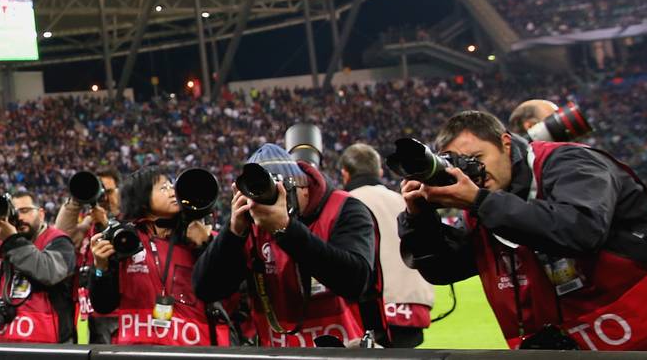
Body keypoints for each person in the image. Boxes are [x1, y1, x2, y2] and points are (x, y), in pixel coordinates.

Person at [399, 110, 647, 350]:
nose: (474, 170)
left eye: (477, 157)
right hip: (593, 343)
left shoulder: (572, 162)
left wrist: (480, 201)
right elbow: (444, 269)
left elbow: (581, 229)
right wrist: (419, 219)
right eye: (463, 163)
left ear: (505, 143)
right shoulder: (484, 202)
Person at [194, 144, 384, 347]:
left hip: (342, 350)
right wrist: (233, 233)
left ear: (302, 187)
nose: (271, 202)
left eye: (278, 192)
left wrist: (285, 229)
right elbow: (206, 289)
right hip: (277, 352)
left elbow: (355, 282)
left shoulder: (343, 208)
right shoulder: (251, 221)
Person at [87, 167, 219, 346]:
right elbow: (103, 305)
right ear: (141, 199)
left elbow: (225, 290)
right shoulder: (125, 240)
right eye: (164, 188)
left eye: (172, 186)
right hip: (136, 350)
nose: (173, 192)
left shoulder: (200, 236)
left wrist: (205, 246)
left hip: (191, 350)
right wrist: (101, 268)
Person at [339, 143, 434, 347]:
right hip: (413, 307)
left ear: (345, 174)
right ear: (380, 172)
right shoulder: (405, 201)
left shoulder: (344, 205)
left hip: (368, 311)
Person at [0, 191, 77, 343]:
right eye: (15, 211)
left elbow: (48, 272)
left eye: (25, 211)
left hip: (47, 347)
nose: (20, 217)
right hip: (3, 343)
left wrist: (13, 240)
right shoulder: (5, 246)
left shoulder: (59, 242)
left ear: (41, 214)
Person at [55, 168, 121, 344]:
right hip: (84, 310)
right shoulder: (89, 223)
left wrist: (106, 223)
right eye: (100, 191)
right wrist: (78, 198)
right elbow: (63, 234)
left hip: (114, 313)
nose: (104, 197)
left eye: (108, 191)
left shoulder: (129, 221)